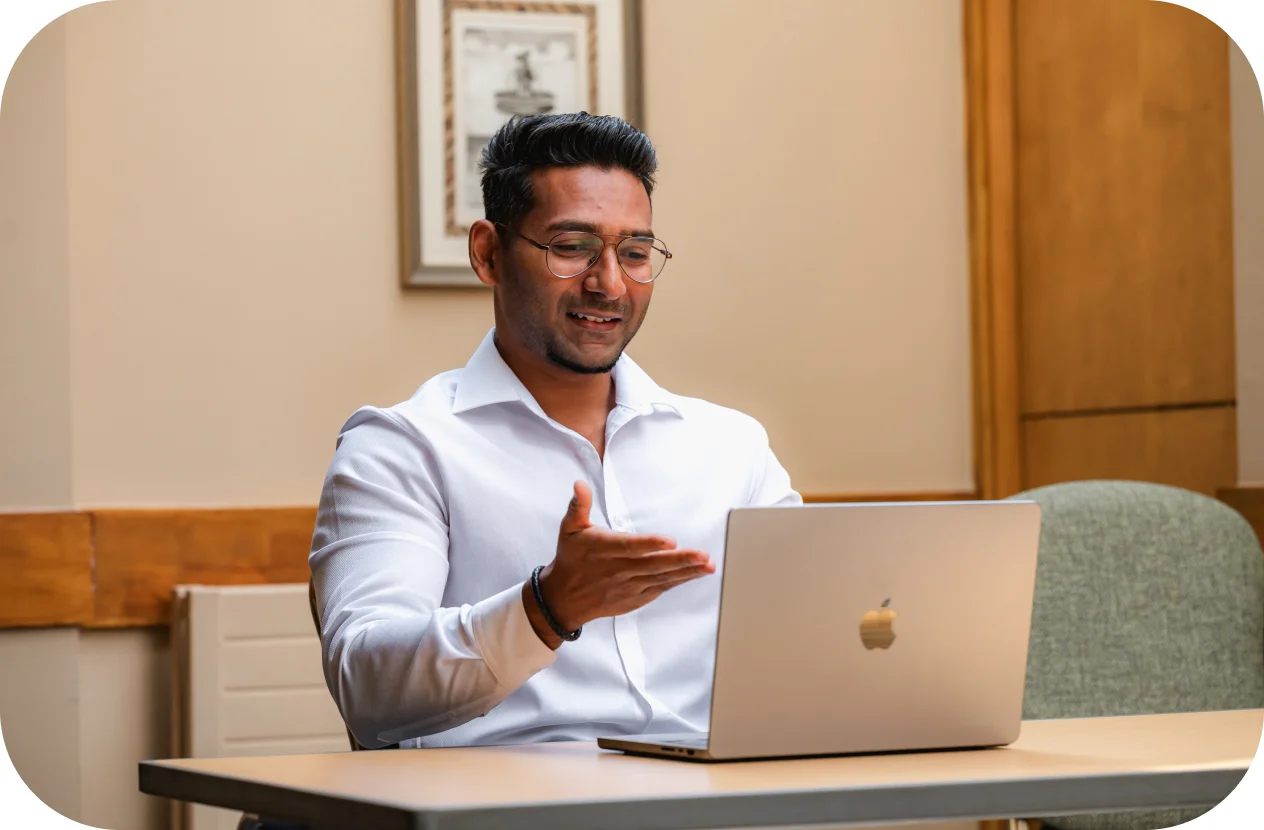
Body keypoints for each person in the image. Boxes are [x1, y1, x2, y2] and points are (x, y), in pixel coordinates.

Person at [310, 112, 801, 750]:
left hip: (722, 805)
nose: (609, 284)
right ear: (488, 253)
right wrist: (546, 607)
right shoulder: (403, 448)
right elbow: (367, 686)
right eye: (571, 247)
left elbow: (816, 635)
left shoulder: (731, 449)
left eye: (634, 253)